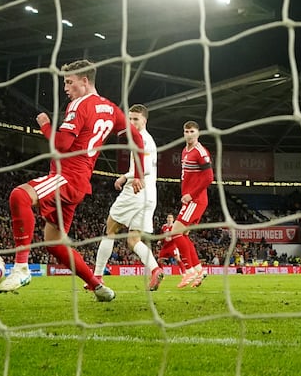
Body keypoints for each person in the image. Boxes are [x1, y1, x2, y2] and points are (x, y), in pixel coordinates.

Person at [0, 59, 145, 302]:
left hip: (66, 177)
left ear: (84, 81)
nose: (65, 87)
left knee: (19, 195)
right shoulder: (111, 108)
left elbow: (61, 145)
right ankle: (99, 287)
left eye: (69, 82)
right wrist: (138, 173)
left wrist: (45, 126)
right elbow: (137, 140)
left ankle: (21, 268)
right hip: (80, 182)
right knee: (54, 243)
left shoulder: (79, 105)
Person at [89, 104, 163, 291]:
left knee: (110, 229)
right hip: (150, 195)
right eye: (129, 118)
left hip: (136, 191)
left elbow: (144, 169)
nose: (131, 122)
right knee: (133, 240)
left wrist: (125, 176)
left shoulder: (143, 140)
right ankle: (155, 270)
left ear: (144, 120)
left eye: (135, 119)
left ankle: (97, 276)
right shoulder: (147, 140)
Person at [171, 120, 214, 288]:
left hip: (196, 200)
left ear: (198, 133)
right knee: (184, 235)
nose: (189, 134)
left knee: (175, 232)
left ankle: (188, 270)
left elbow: (209, 177)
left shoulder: (200, 151)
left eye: (192, 131)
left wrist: (191, 194)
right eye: (186, 131)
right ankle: (199, 270)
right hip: (189, 200)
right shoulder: (184, 151)